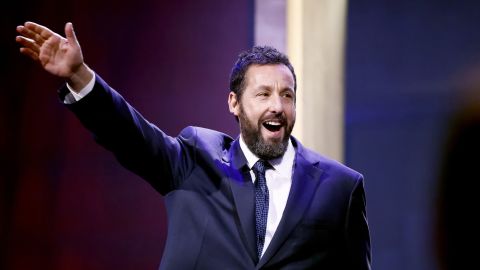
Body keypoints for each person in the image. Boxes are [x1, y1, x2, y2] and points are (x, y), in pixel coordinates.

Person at [16, 21, 371, 269]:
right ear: (234, 103)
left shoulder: (340, 187)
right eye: (263, 94)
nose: (277, 105)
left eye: (287, 95)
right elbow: (130, 134)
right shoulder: (197, 157)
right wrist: (80, 76)